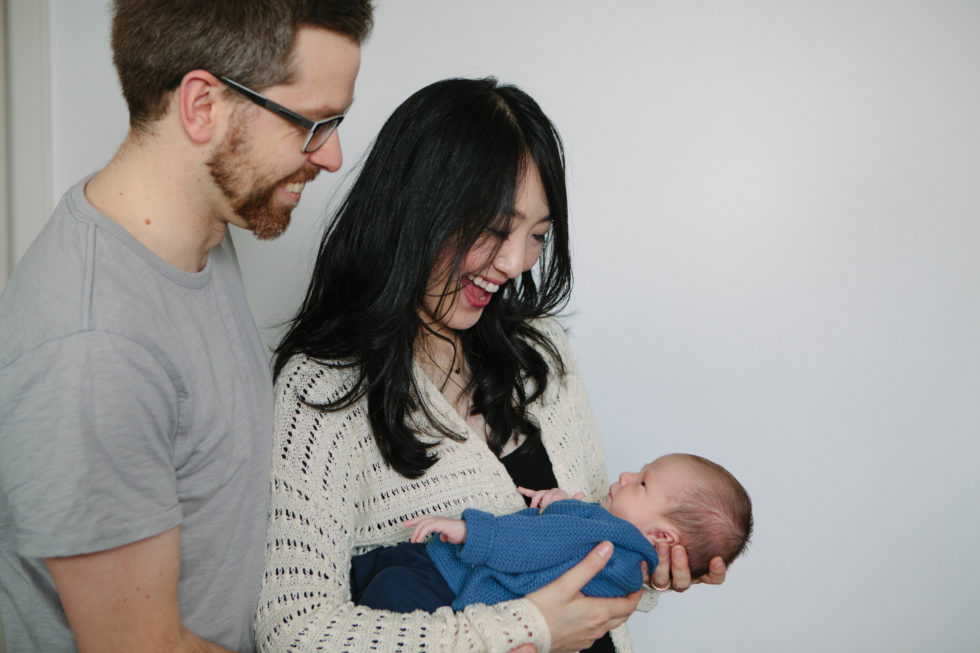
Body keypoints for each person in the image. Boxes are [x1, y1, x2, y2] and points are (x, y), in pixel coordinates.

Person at [257, 77, 727, 653]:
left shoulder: (541, 354)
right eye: (494, 229)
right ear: (417, 206)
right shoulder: (324, 389)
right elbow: (294, 632)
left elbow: (584, 545)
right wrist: (525, 629)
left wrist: (643, 568)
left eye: (537, 235)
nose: (513, 262)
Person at [0, 2, 372, 651]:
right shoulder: (95, 348)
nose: (334, 155)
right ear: (202, 106)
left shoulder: (201, 232)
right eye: (312, 123)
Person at [350, 453, 753, 613]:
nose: (627, 475)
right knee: (376, 578)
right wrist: (560, 502)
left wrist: (470, 531)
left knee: (389, 585)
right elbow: (562, 542)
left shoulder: (610, 541)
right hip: (459, 586)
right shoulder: (623, 557)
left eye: (643, 483)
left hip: (451, 581)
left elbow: (537, 544)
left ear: (662, 539)